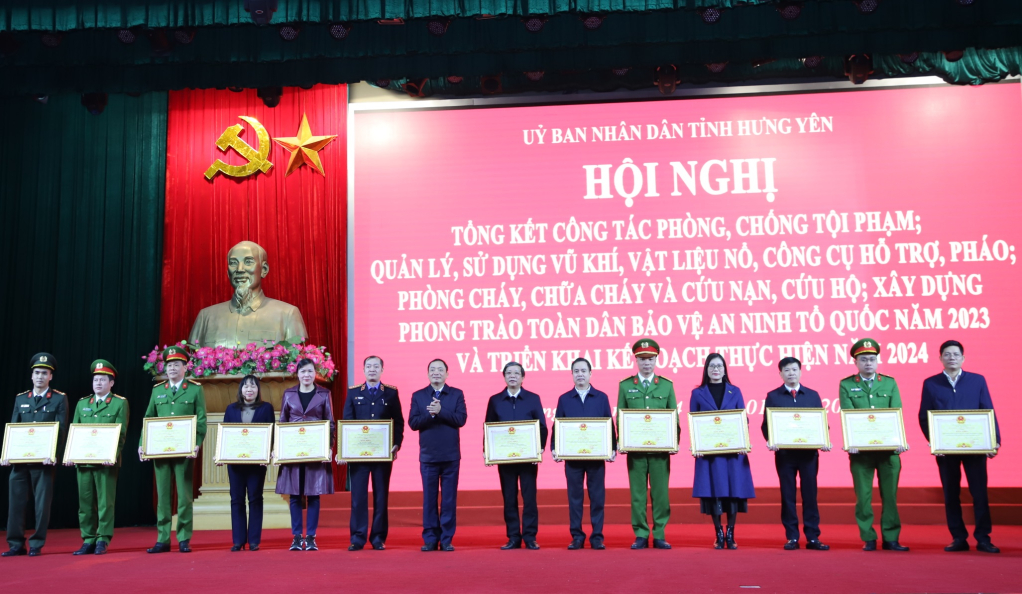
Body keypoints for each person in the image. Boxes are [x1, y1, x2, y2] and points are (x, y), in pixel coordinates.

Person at [918, 340, 1001, 554]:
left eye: (956, 354)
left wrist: (994, 440)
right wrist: (935, 440)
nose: (951, 357)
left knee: (979, 494)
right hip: (946, 449)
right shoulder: (931, 383)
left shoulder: (977, 380)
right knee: (951, 494)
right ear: (940, 358)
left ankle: (983, 538)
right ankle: (958, 538)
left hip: (975, 448)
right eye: (947, 354)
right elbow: (924, 416)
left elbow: (988, 410)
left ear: (963, 358)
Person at [839, 338, 909, 552]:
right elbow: (848, 416)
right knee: (863, 497)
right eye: (863, 359)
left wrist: (899, 440)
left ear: (877, 361)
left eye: (872, 359)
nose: (868, 363)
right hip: (861, 452)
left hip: (889, 451)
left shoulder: (889, 383)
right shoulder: (846, 384)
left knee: (890, 497)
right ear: (855, 362)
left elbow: (896, 413)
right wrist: (851, 441)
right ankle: (868, 537)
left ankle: (891, 538)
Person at [139, 345, 208, 554]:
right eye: (169, 365)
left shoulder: (195, 389)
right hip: (160, 451)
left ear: (185, 368)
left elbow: (201, 420)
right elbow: (148, 418)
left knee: (184, 496)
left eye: (176, 365)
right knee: (163, 496)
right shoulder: (158, 390)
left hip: (184, 451)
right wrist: (143, 443)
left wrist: (196, 443)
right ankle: (163, 539)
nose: (172, 368)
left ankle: (184, 538)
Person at [2, 353, 68, 557]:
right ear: (32, 376)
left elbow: (62, 429)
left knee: (42, 505)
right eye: (37, 373)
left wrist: (54, 454)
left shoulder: (59, 398)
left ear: (51, 377)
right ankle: (15, 544)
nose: (40, 376)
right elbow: (13, 427)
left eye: (44, 373)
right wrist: (7, 452)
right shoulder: (21, 398)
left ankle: (37, 543)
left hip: (44, 461)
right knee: (16, 504)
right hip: (20, 461)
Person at [762, 357, 829, 551]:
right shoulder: (773, 396)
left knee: (810, 495)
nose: (791, 373)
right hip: (785, 455)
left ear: (800, 372)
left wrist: (824, 440)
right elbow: (766, 425)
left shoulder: (813, 395)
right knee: (788, 496)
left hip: (809, 455)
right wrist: (771, 440)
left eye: (794, 369)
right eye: (787, 370)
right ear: (780, 374)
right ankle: (792, 537)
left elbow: (821, 423)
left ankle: (813, 537)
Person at [188, 240, 307, 348]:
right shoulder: (205, 317)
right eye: (233, 263)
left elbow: (296, 357)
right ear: (228, 273)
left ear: (264, 270)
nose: (239, 269)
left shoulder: (288, 314)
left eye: (248, 262)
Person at [340, 355, 405, 551]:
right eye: (368, 366)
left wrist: (396, 444)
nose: (372, 369)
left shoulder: (391, 393)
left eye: (376, 366)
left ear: (382, 370)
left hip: (382, 455)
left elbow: (399, 421)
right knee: (358, 498)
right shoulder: (353, 393)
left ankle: (378, 538)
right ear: (363, 370)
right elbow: (347, 423)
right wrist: (345, 450)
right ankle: (357, 538)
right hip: (358, 456)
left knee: (381, 497)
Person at [691, 353, 756, 550]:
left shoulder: (735, 391)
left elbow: (743, 419)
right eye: (712, 366)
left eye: (719, 366)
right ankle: (718, 532)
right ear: (706, 369)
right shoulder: (697, 393)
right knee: (714, 492)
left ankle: (731, 532)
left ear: (725, 369)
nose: (716, 369)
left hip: (733, 452)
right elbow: (694, 421)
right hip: (709, 455)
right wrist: (696, 445)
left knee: (733, 492)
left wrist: (743, 441)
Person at [617, 338, 677, 550]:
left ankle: (659, 534)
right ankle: (641, 534)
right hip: (636, 451)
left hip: (660, 451)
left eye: (650, 359)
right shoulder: (625, 386)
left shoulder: (667, 385)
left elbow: (674, 417)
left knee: (661, 495)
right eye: (642, 359)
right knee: (637, 495)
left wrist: (674, 441)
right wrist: (621, 441)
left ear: (656, 360)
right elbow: (620, 416)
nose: (646, 363)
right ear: (636, 360)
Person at [552, 357, 615, 550]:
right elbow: (557, 425)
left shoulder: (601, 397)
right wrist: (555, 447)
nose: (580, 374)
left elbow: (609, 423)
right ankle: (577, 536)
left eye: (583, 371)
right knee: (575, 498)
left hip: (596, 457)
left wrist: (612, 448)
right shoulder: (564, 399)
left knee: (597, 498)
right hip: (573, 458)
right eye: (576, 371)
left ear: (590, 373)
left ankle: (597, 537)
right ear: (572, 374)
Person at [484, 361, 548, 550]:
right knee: (509, 498)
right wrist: (488, 450)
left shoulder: (533, 398)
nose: (512, 376)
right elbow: (489, 426)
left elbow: (542, 426)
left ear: (523, 377)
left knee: (530, 498)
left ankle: (530, 537)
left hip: (528, 458)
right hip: (505, 459)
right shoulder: (495, 400)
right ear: (504, 377)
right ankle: (513, 537)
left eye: (516, 373)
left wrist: (539, 448)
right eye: (509, 373)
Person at [67, 360, 129, 556]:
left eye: (103, 379)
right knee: (85, 503)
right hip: (83, 462)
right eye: (95, 380)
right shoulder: (82, 403)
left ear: (111, 383)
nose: (98, 383)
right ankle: (88, 539)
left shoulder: (119, 403)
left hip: (106, 462)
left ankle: (103, 538)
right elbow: (74, 431)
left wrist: (112, 455)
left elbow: (121, 434)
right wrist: (70, 453)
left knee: (105, 503)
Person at [276, 358, 334, 552]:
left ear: (315, 373)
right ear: (297, 374)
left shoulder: (324, 394)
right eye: (303, 372)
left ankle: (310, 537)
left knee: (313, 494)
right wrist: (279, 448)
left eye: (310, 371)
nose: (306, 375)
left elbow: (330, 423)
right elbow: (282, 422)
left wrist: (329, 447)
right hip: (293, 451)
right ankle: (296, 536)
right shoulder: (289, 394)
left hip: (315, 451)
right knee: (294, 495)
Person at [409, 359, 467, 552]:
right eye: (432, 370)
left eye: (440, 370)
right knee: (429, 500)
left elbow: (461, 419)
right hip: (428, 457)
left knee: (449, 500)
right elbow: (413, 423)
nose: (436, 372)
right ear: (427, 374)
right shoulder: (418, 395)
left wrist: (441, 411)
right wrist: (431, 414)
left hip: (451, 456)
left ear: (447, 374)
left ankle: (447, 539)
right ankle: (430, 539)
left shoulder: (456, 394)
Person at [221, 375, 274, 551]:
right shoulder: (231, 409)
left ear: (258, 390)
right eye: (246, 386)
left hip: (257, 463)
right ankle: (238, 540)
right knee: (236, 499)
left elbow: (271, 433)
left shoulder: (266, 408)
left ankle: (253, 541)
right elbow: (226, 435)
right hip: (235, 463)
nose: (249, 389)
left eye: (253, 386)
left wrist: (269, 453)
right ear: (241, 390)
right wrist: (221, 454)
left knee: (255, 498)